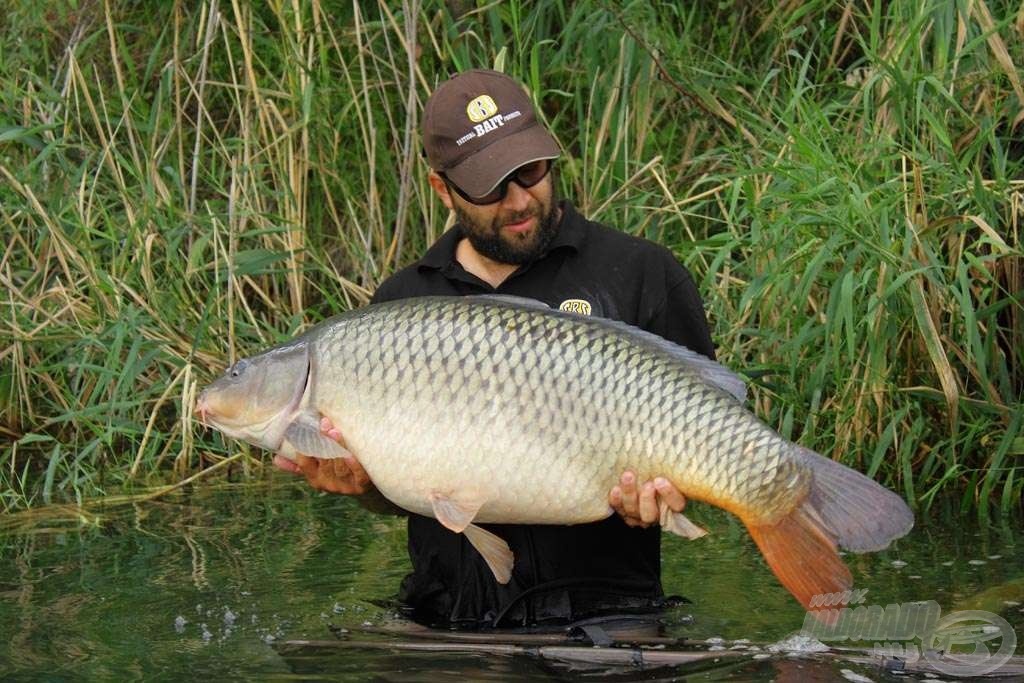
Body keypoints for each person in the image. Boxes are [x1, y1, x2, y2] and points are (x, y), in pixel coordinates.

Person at [274, 69, 716, 629]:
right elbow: (401, 490)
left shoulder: (641, 275)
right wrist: (362, 489)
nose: (518, 199)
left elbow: (706, 448)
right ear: (443, 190)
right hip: (446, 617)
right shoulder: (402, 306)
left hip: (610, 616)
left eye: (529, 170)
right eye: (489, 185)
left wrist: (665, 497)